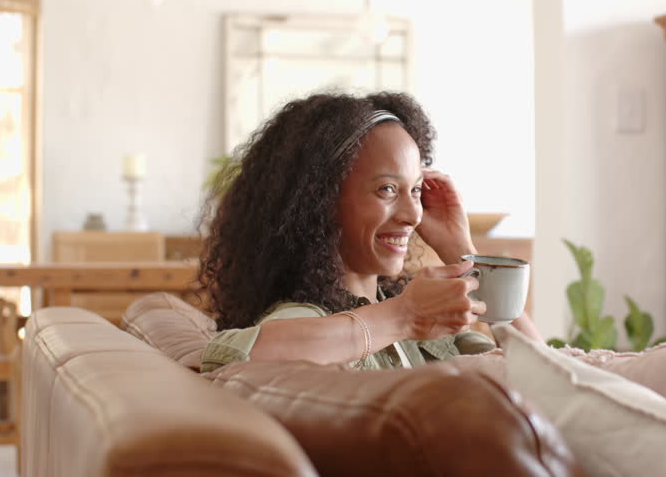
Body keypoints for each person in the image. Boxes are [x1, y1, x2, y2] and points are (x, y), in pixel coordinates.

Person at [198, 92, 542, 373]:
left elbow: (551, 376)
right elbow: (232, 358)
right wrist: (405, 315)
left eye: (417, 191)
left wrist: (461, 249)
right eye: (387, 190)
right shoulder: (307, 319)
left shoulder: (421, 330)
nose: (412, 215)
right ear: (320, 200)